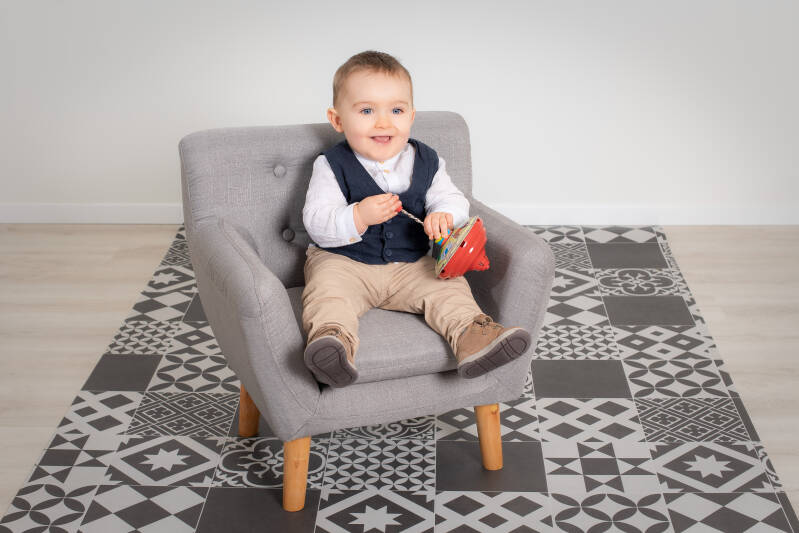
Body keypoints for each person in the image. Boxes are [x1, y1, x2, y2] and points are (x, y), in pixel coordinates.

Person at [301, 50, 530, 388]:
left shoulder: (427, 160)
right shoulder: (330, 164)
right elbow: (316, 219)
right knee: (328, 292)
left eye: (396, 110)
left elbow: (452, 199)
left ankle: (473, 336)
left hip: (411, 265)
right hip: (345, 262)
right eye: (366, 111)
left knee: (448, 288)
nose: (383, 123)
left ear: (411, 116)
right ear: (337, 120)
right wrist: (358, 215)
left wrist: (444, 215)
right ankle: (334, 345)